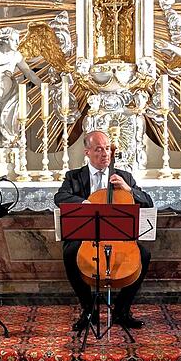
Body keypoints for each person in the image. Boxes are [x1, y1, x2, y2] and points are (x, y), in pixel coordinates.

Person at [54, 131, 153, 331]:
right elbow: (60, 196)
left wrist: (129, 190)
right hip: (86, 236)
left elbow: (148, 201)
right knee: (70, 252)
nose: (105, 154)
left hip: (118, 236)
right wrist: (86, 203)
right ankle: (88, 310)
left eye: (107, 149)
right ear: (87, 152)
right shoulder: (74, 176)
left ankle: (122, 311)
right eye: (99, 149)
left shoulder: (124, 177)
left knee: (144, 254)